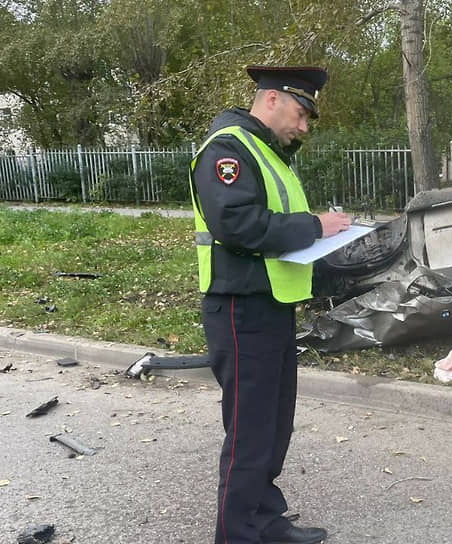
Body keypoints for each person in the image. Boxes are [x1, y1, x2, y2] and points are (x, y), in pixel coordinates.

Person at [189, 65, 351, 544]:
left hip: (272, 305)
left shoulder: (268, 153)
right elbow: (237, 225)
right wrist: (316, 227)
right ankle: (237, 535)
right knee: (249, 435)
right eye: (301, 113)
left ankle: (265, 522)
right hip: (240, 310)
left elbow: (277, 229)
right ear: (273, 99)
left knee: (274, 426)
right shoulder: (227, 149)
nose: (304, 127)